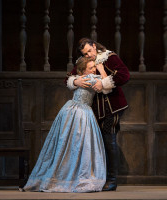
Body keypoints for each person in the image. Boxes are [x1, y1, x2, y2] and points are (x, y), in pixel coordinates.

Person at [23, 57, 110, 193]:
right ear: (83, 70)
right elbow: (106, 85)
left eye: (94, 67)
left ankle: (68, 175)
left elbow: (71, 82)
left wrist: (75, 80)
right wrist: (101, 70)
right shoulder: (90, 79)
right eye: (91, 67)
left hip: (72, 110)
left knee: (72, 145)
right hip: (80, 113)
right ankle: (71, 177)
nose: (94, 69)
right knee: (74, 144)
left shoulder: (84, 78)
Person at [66, 38, 130, 191]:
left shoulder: (109, 57)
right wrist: (76, 82)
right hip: (94, 111)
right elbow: (68, 78)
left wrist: (104, 82)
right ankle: (98, 178)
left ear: (94, 46)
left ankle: (112, 180)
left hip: (112, 107)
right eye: (85, 53)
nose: (88, 55)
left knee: (109, 140)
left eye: (89, 50)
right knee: (98, 144)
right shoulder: (83, 61)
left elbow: (124, 75)